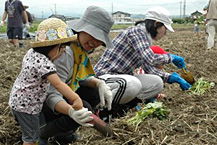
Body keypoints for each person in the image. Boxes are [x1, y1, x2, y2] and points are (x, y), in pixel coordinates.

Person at [94, 6, 191, 121]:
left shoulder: (145, 39)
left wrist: (171, 77)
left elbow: (149, 69)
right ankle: (103, 109)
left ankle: (122, 107)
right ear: (156, 24)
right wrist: (171, 58)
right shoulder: (137, 32)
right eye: (165, 29)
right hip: (105, 77)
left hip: (120, 79)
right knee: (133, 84)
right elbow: (150, 58)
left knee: (157, 83)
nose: (165, 34)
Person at [38, 6, 114, 145]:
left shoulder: (78, 49)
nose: (95, 43)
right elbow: (50, 94)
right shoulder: (64, 51)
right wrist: (72, 111)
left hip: (54, 94)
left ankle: (62, 133)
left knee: (93, 92)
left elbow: (78, 77)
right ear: (81, 29)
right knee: (83, 108)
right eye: (93, 35)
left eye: (100, 40)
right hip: (36, 102)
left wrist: (99, 83)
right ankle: (41, 133)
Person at [8, 18, 89, 145]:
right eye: (62, 50)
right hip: (27, 106)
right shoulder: (45, 64)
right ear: (55, 47)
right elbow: (58, 84)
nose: (62, 54)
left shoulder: (31, 53)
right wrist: (76, 98)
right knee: (31, 139)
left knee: (34, 131)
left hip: (20, 101)